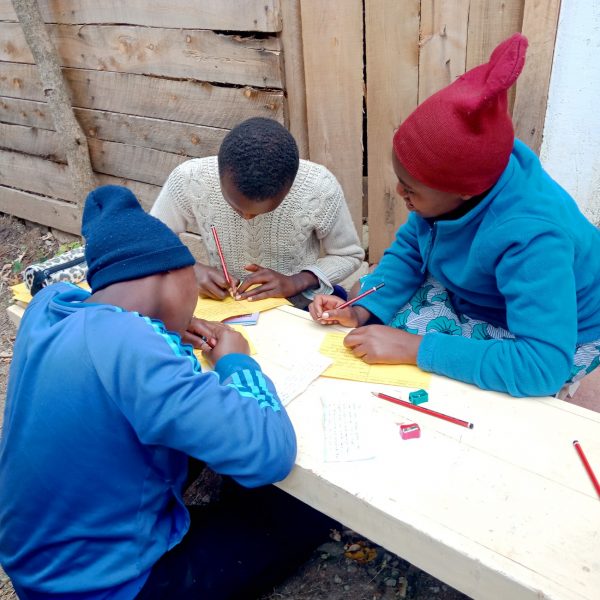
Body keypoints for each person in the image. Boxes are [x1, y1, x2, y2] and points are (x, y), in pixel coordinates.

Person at [0, 185, 335, 599]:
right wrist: (236, 361)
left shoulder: (47, 307)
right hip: (103, 588)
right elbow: (271, 454)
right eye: (191, 278)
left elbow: (103, 311)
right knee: (299, 514)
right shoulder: (132, 344)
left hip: (33, 564)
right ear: (170, 275)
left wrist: (165, 328)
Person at [309, 33, 600, 398]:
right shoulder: (465, 176)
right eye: (401, 181)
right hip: (488, 292)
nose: (399, 193)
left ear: (464, 192)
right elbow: (412, 249)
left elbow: (541, 366)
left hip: (554, 334)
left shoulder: (533, 240)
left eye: (410, 189)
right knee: (372, 319)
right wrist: (362, 308)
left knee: (454, 391)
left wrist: (414, 349)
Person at [150, 117, 364, 306]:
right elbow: (149, 240)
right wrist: (189, 269)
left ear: (290, 187)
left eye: (264, 211)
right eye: (235, 206)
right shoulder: (190, 179)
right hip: (227, 303)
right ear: (219, 174)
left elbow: (348, 255)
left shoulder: (318, 186)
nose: (247, 217)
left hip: (297, 305)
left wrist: (297, 281)